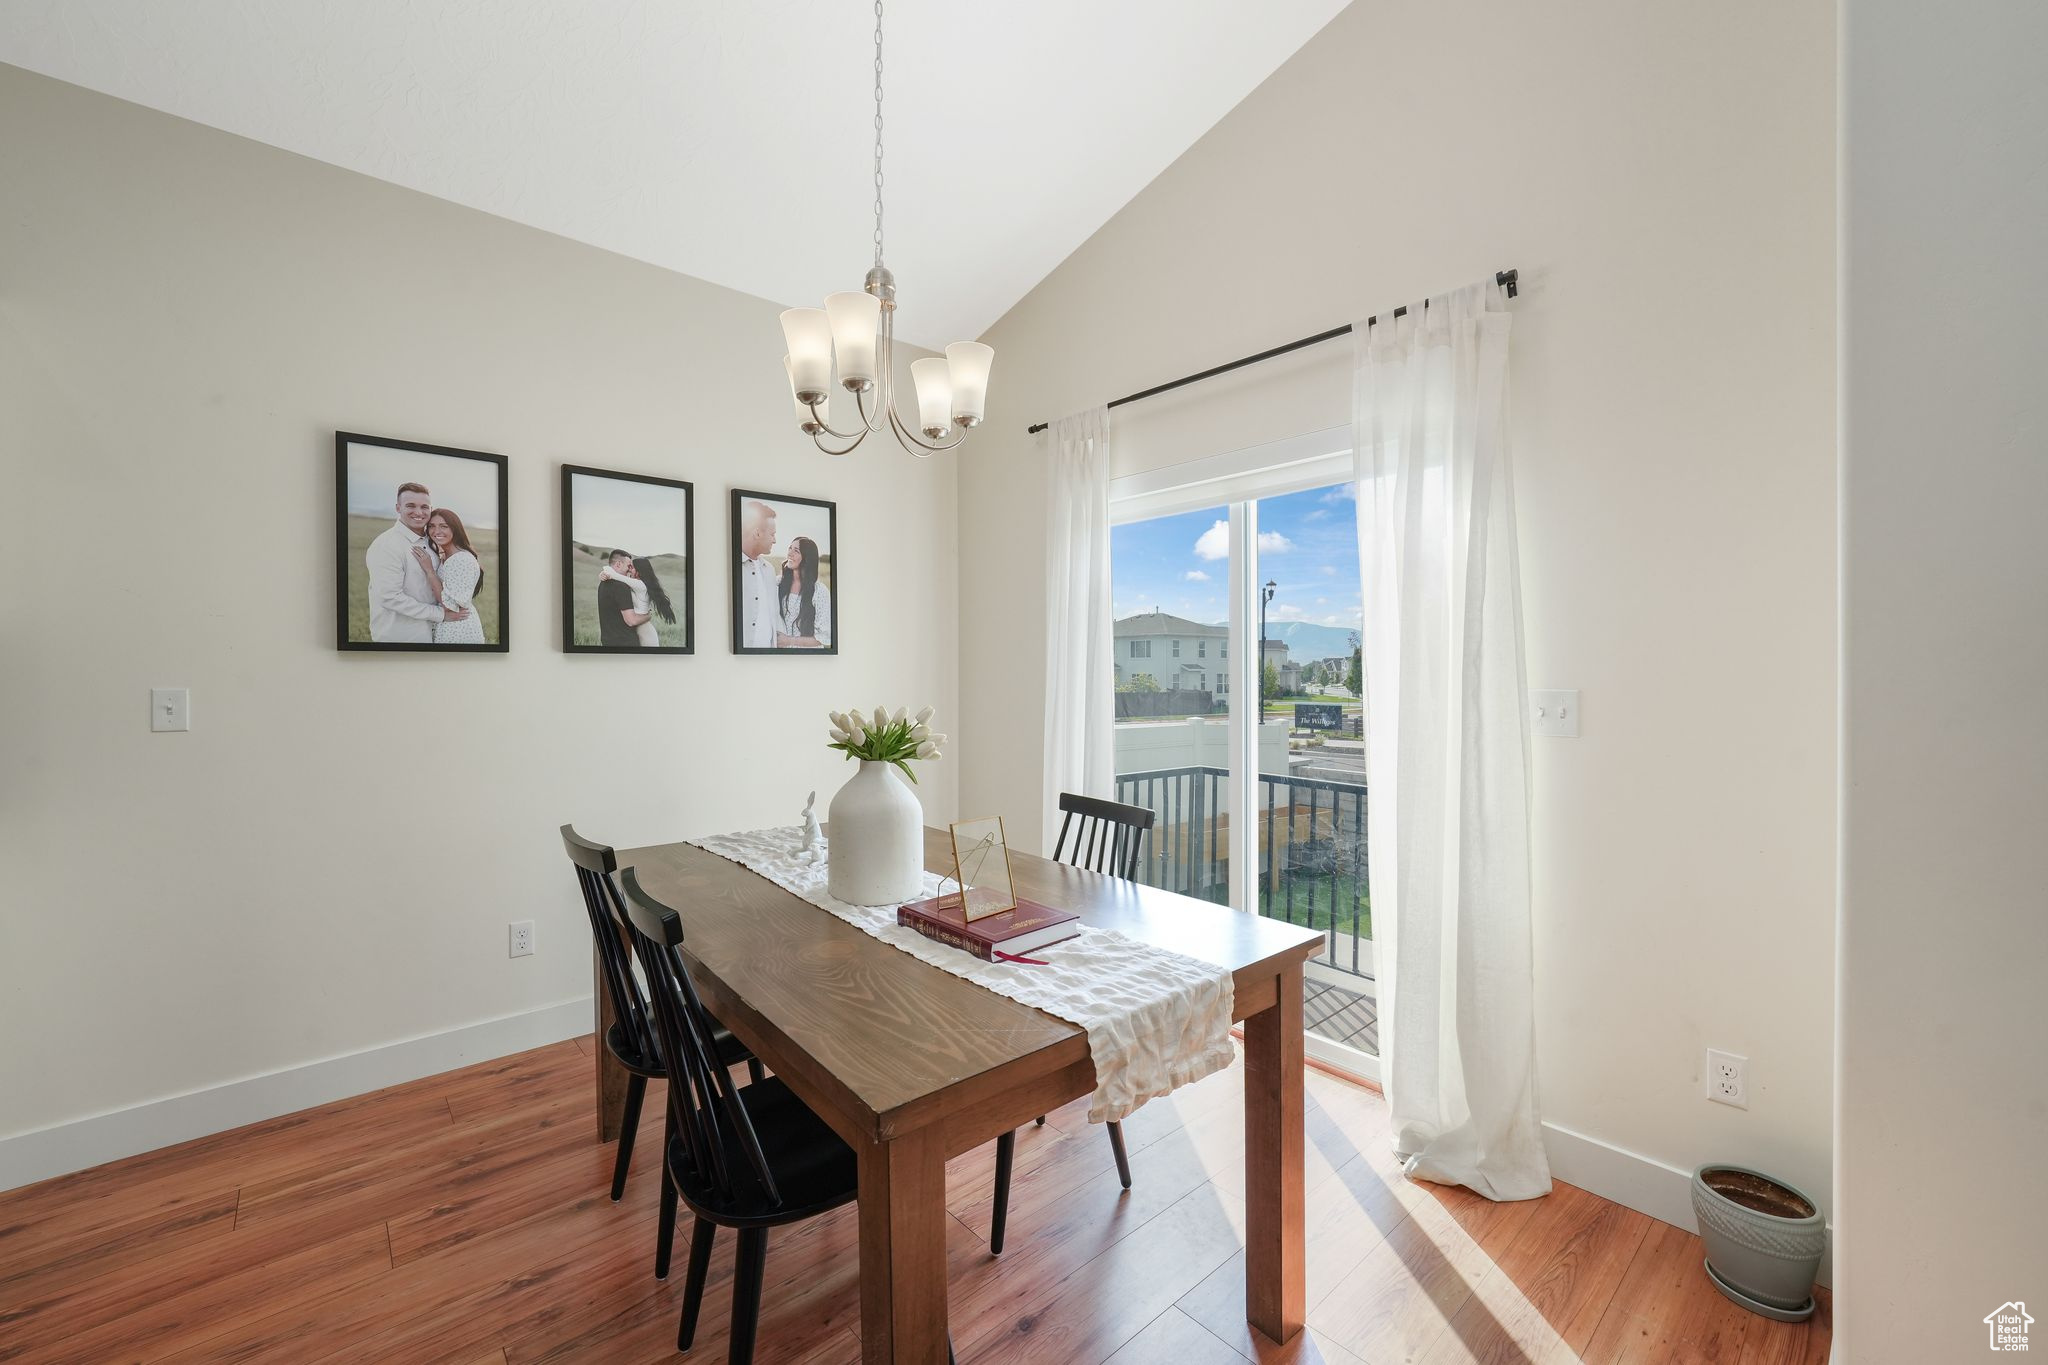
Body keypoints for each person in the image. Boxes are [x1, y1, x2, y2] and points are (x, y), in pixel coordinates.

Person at [365, 481, 469, 643]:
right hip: (400, 636)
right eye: (410, 506)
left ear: (430, 509)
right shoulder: (386, 545)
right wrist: (440, 614)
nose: (418, 512)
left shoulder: (429, 541)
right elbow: (389, 597)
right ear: (398, 508)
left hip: (433, 633)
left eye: (424, 507)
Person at [410, 508, 486, 645]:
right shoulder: (447, 556)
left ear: (455, 529)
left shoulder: (460, 559)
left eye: (444, 526)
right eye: (432, 526)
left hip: (459, 629)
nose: (436, 531)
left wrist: (429, 571)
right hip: (449, 625)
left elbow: (449, 606)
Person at [774, 535, 832, 649]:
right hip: (781, 656)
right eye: (790, 548)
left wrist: (789, 641)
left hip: (808, 658)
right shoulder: (778, 582)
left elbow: (823, 638)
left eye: (796, 551)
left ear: (807, 558)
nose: (790, 553)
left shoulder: (819, 591)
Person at [736, 499, 780, 648]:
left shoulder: (769, 570)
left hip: (767, 662)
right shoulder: (732, 567)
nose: (775, 540)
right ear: (757, 533)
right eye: (772, 534)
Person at [595, 548, 649, 647]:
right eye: (628, 566)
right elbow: (631, 621)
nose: (630, 569)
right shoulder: (620, 587)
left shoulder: (603, 583)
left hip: (607, 642)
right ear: (619, 564)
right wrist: (648, 616)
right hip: (625, 643)